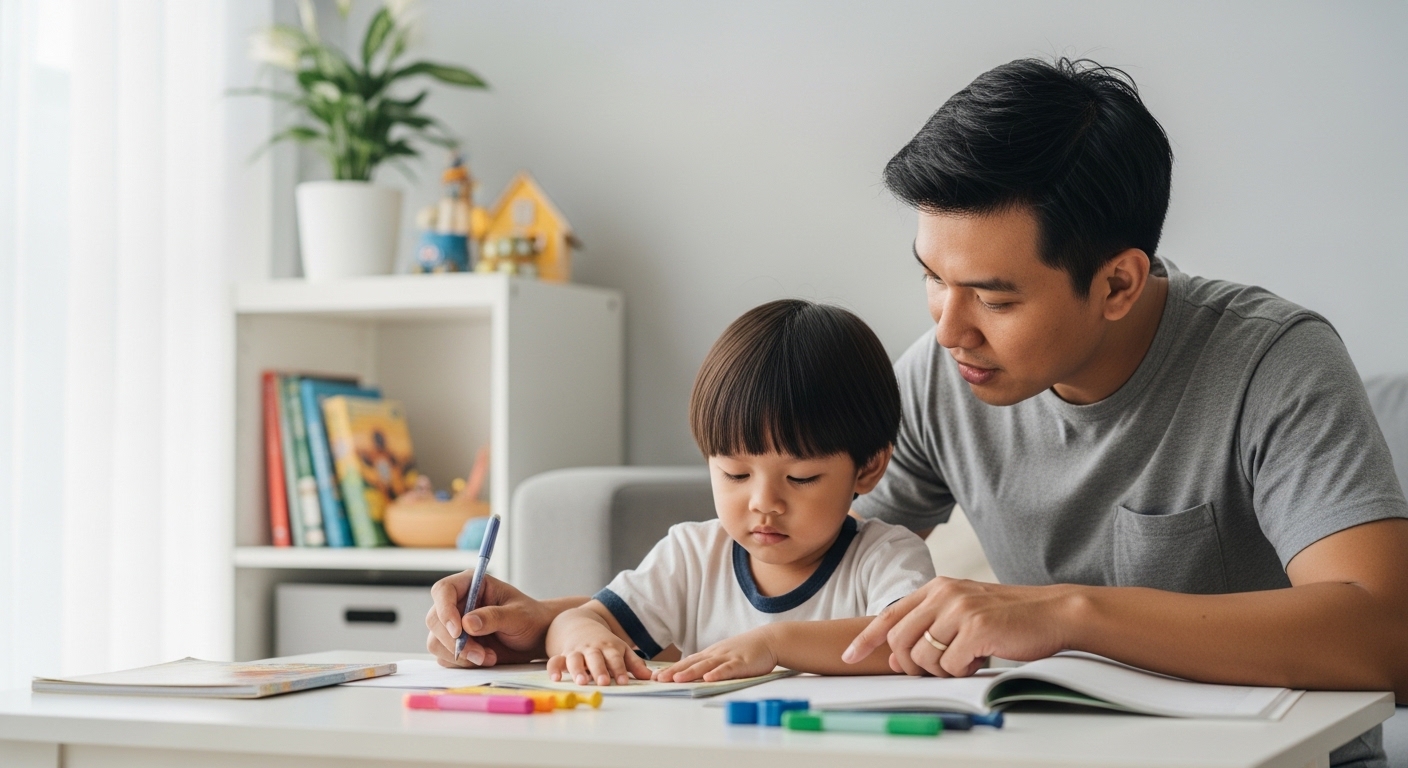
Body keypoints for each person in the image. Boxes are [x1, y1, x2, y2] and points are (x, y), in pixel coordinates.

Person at [426, 58, 1408, 767]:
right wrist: (568, 620)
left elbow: (1383, 639)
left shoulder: (1270, 363)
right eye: (930, 279)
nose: (948, 329)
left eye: (995, 295)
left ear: (1116, 282)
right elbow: (811, 563)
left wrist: (1059, 616)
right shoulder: (944, 378)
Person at [547, 299, 935, 686]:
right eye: (735, 474)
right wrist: (588, 640)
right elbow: (577, 619)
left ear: (868, 468)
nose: (764, 502)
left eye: (800, 478)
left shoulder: (887, 557)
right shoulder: (693, 557)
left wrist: (774, 643)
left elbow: (909, 643)